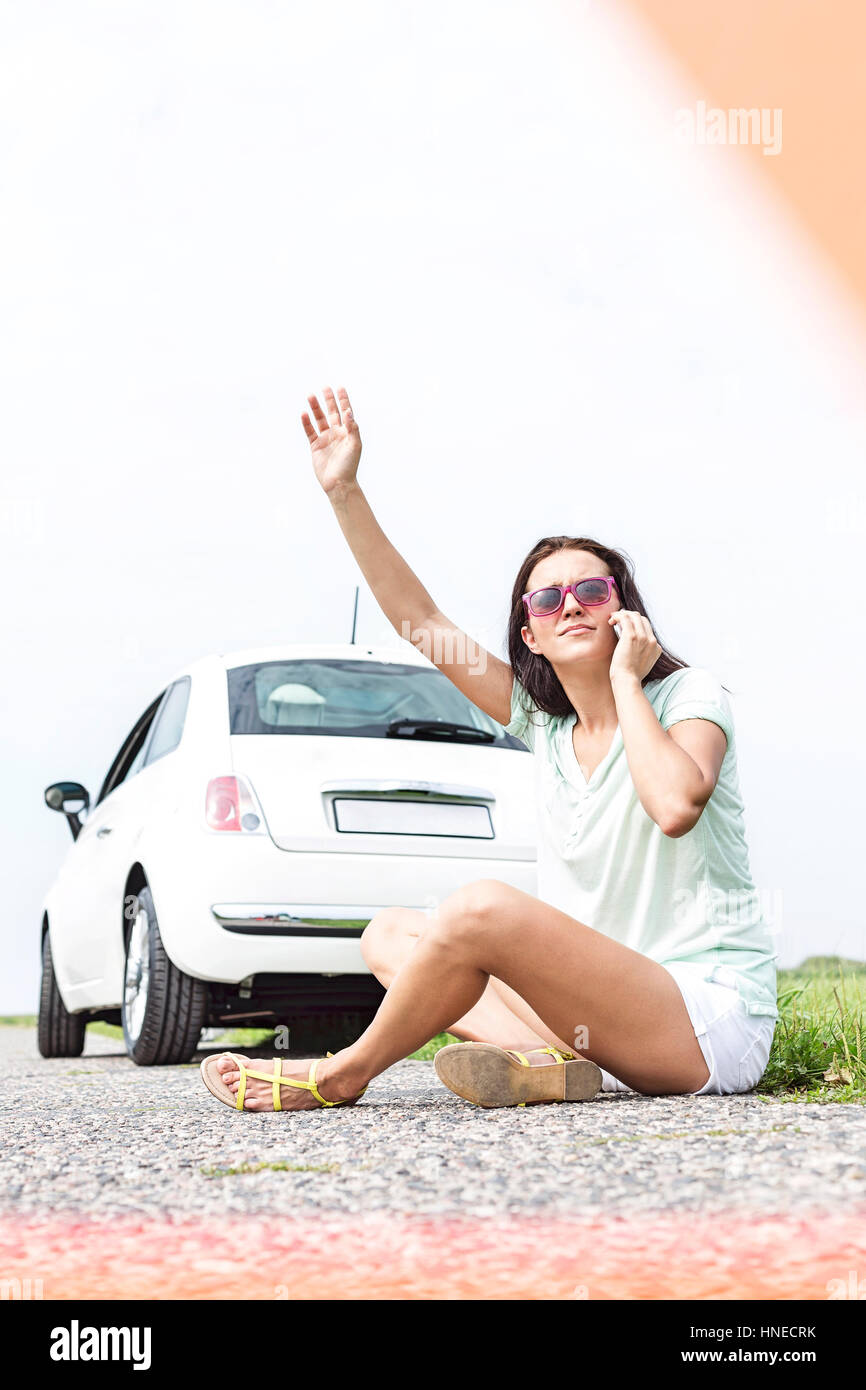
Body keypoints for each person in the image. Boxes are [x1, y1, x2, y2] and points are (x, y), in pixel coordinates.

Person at [200, 385, 778, 1114]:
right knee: (394, 935)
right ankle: (544, 1063)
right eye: (546, 600)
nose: (570, 604)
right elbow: (421, 622)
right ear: (530, 634)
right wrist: (344, 490)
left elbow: (673, 805)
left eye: (592, 591)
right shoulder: (544, 724)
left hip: (704, 1025)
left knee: (481, 910)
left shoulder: (689, 697)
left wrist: (629, 682)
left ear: (624, 612)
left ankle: (343, 1073)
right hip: (602, 1014)